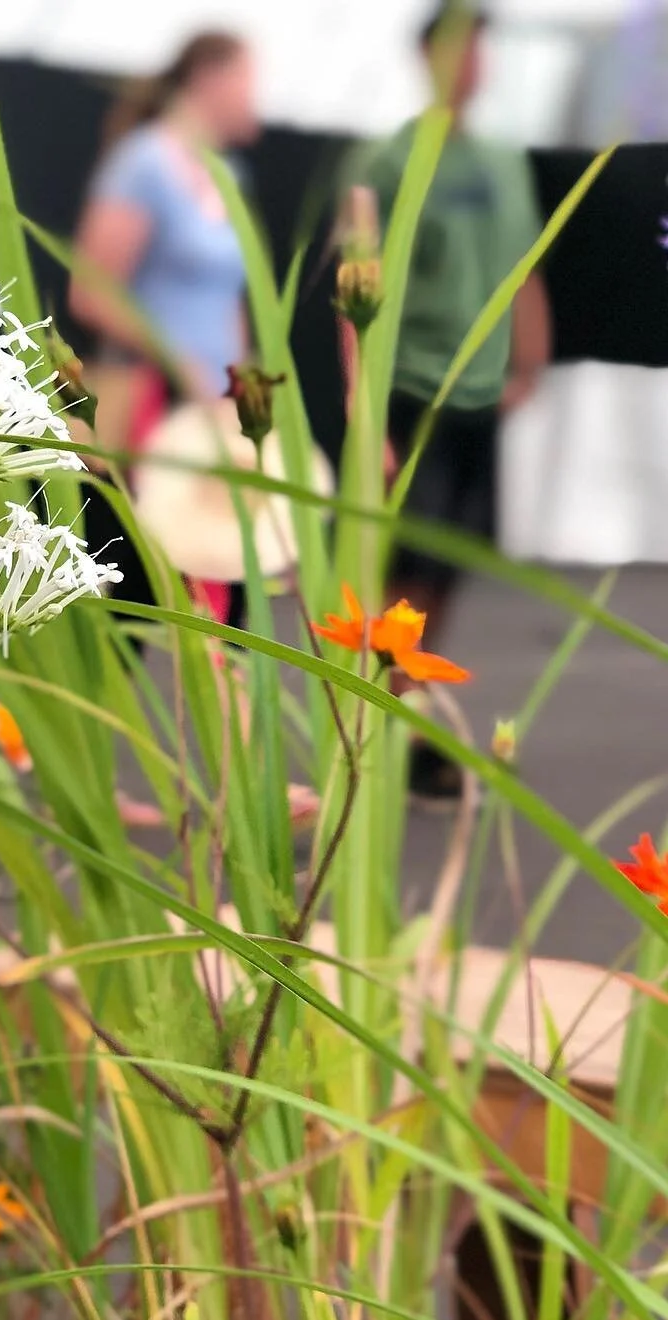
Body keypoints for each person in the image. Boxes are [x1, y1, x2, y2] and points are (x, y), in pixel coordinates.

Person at [347, 2, 550, 803]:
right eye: (459, 48)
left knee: (452, 570)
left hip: (480, 395)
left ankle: (412, 716)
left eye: (482, 50)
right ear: (427, 58)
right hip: (414, 389)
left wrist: (530, 361)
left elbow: (525, 266)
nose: (473, 64)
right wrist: (367, 412)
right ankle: (385, 728)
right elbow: (356, 283)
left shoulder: (503, 161)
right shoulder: (389, 160)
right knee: (408, 575)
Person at [70, 31, 260, 633]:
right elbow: (92, 291)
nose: (257, 97)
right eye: (247, 80)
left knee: (228, 603)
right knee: (132, 589)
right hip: (152, 411)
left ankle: (229, 725)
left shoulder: (229, 177)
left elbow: (229, 296)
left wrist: (247, 381)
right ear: (207, 77)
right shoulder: (144, 162)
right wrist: (178, 360)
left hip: (215, 415)